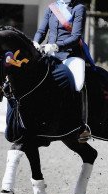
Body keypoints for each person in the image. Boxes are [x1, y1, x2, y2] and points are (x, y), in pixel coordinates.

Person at [33, 0, 91, 143]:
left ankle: (82, 126)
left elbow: (76, 36)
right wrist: (35, 43)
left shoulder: (79, 8)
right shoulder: (52, 7)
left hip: (71, 54)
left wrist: (56, 46)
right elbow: (41, 31)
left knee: (78, 84)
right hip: (50, 54)